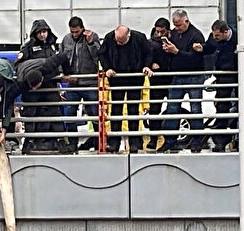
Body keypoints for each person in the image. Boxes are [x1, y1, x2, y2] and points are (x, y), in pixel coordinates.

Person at [17, 19, 73, 153]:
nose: (42, 35)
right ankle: (29, 142)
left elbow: (62, 59)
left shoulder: (53, 45)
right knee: (31, 113)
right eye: (39, 33)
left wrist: (65, 75)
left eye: (44, 32)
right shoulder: (27, 47)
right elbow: (20, 65)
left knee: (55, 111)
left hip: (50, 84)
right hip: (32, 87)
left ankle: (61, 141)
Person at [157, 10, 207, 153]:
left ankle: (197, 141)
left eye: (178, 25)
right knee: (172, 109)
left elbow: (195, 58)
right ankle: (170, 141)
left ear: (186, 21)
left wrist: (176, 52)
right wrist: (168, 50)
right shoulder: (173, 34)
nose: (176, 28)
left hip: (194, 75)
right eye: (175, 25)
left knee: (196, 109)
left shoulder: (196, 35)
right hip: (177, 75)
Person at [99, 25, 153, 153]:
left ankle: (135, 143)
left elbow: (149, 53)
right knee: (115, 111)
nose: (118, 43)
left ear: (128, 36)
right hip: (116, 79)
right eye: (117, 40)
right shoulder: (109, 38)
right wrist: (107, 69)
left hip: (135, 79)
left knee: (133, 111)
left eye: (121, 41)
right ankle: (114, 143)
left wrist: (146, 66)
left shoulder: (139, 38)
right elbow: (102, 54)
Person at [61, 16, 102, 151]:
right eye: (72, 32)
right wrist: (64, 75)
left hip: (90, 82)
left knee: (94, 113)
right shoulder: (66, 40)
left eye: (77, 32)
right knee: (69, 113)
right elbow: (60, 58)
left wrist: (90, 43)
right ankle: (72, 142)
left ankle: (97, 140)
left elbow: (99, 57)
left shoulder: (93, 36)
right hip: (73, 84)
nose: (74, 35)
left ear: (82, 29)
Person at [205, 20, 237, 152]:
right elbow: (209, 47)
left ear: (225, 32)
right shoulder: (214, 38)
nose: (215, 38)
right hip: (222, 75)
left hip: (240, 74)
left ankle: (238, 138)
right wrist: (202, 48)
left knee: (243, 106)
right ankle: (220, 140)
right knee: (222, 106)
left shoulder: (239, 36)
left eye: (217, 36)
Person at [146, 18, 173, 151]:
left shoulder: (174, 41)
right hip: (156, 80)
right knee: (154, 110)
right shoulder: (150, 43)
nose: (159, 34)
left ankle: (169, 138)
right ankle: (153, 138)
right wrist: (150, 64)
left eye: (162, 31)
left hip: (171, 79)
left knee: (173, 109)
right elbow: (145, 57)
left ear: (168, 30)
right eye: (157, 31)